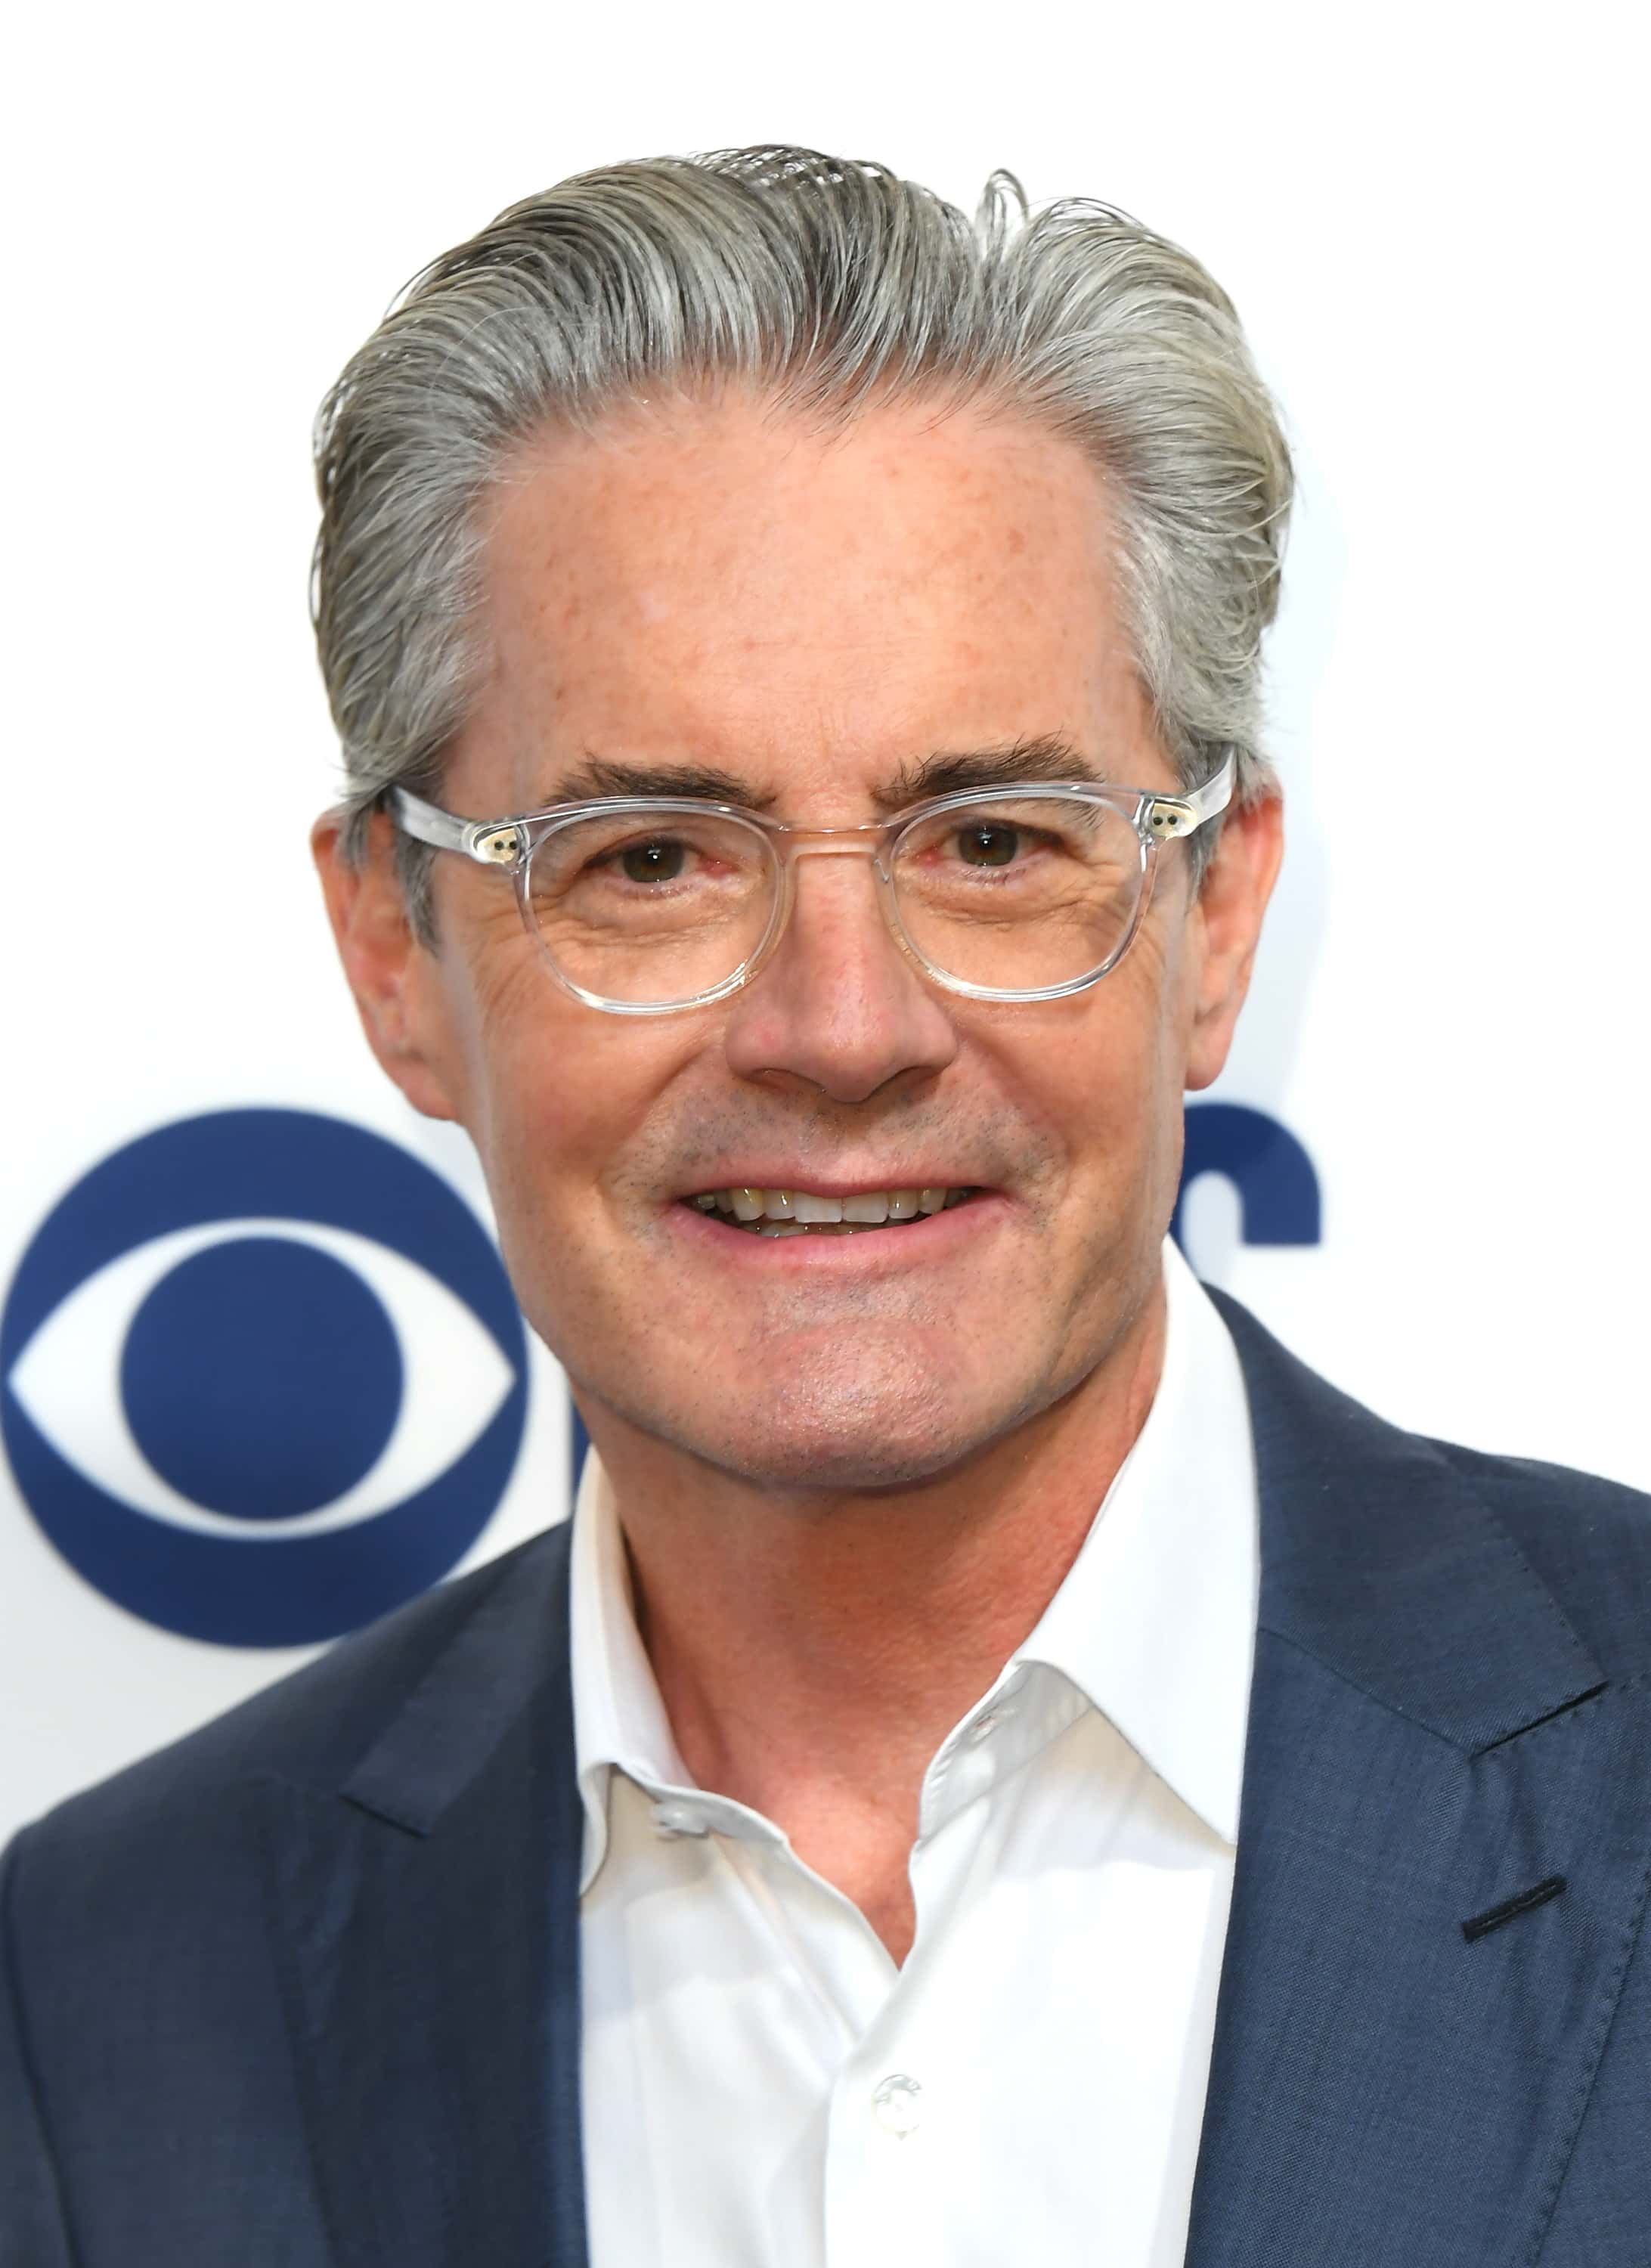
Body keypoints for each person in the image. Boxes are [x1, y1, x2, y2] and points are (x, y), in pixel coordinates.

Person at [3, 145, 1647, 2268]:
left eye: (995, 841)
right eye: (651, 861)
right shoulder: (106, 1995)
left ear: (1217, 915)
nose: (845, 1026)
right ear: (397, 955)